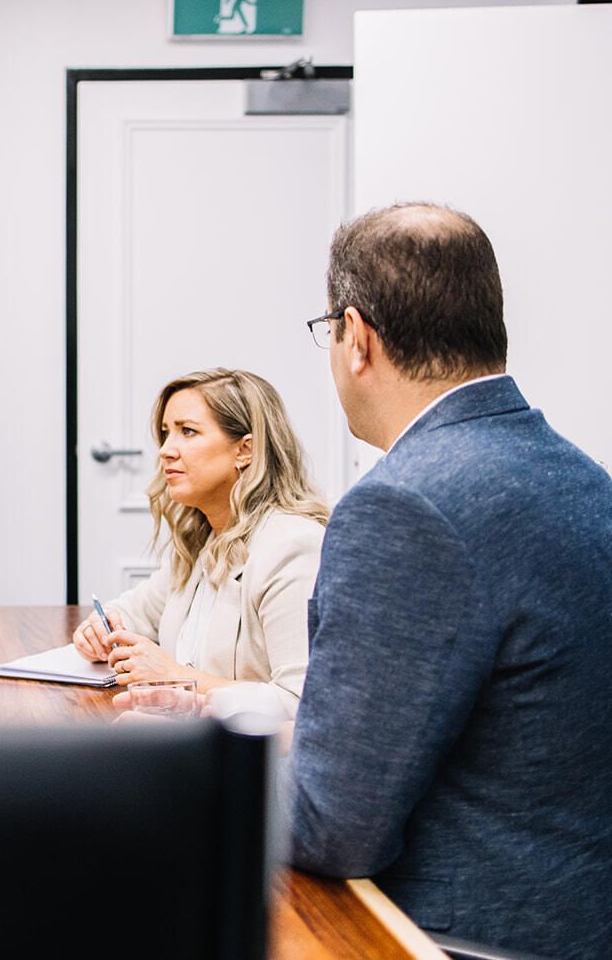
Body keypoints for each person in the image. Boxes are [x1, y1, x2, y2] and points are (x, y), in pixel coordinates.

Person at [291, 204, 612, 957]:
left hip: (450, 937)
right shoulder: (581, 476)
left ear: (356, 336)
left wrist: (211, 771)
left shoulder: (402, 505)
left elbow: (331, 823)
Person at [73, 369, 328, 715]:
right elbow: (135, 612)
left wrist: (176, 676)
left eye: (187, 432)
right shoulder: (205, 538)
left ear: (245, 450)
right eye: (165, 434)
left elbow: (301, 704)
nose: (165, 451)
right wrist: (99, 630)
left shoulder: (294, 547)